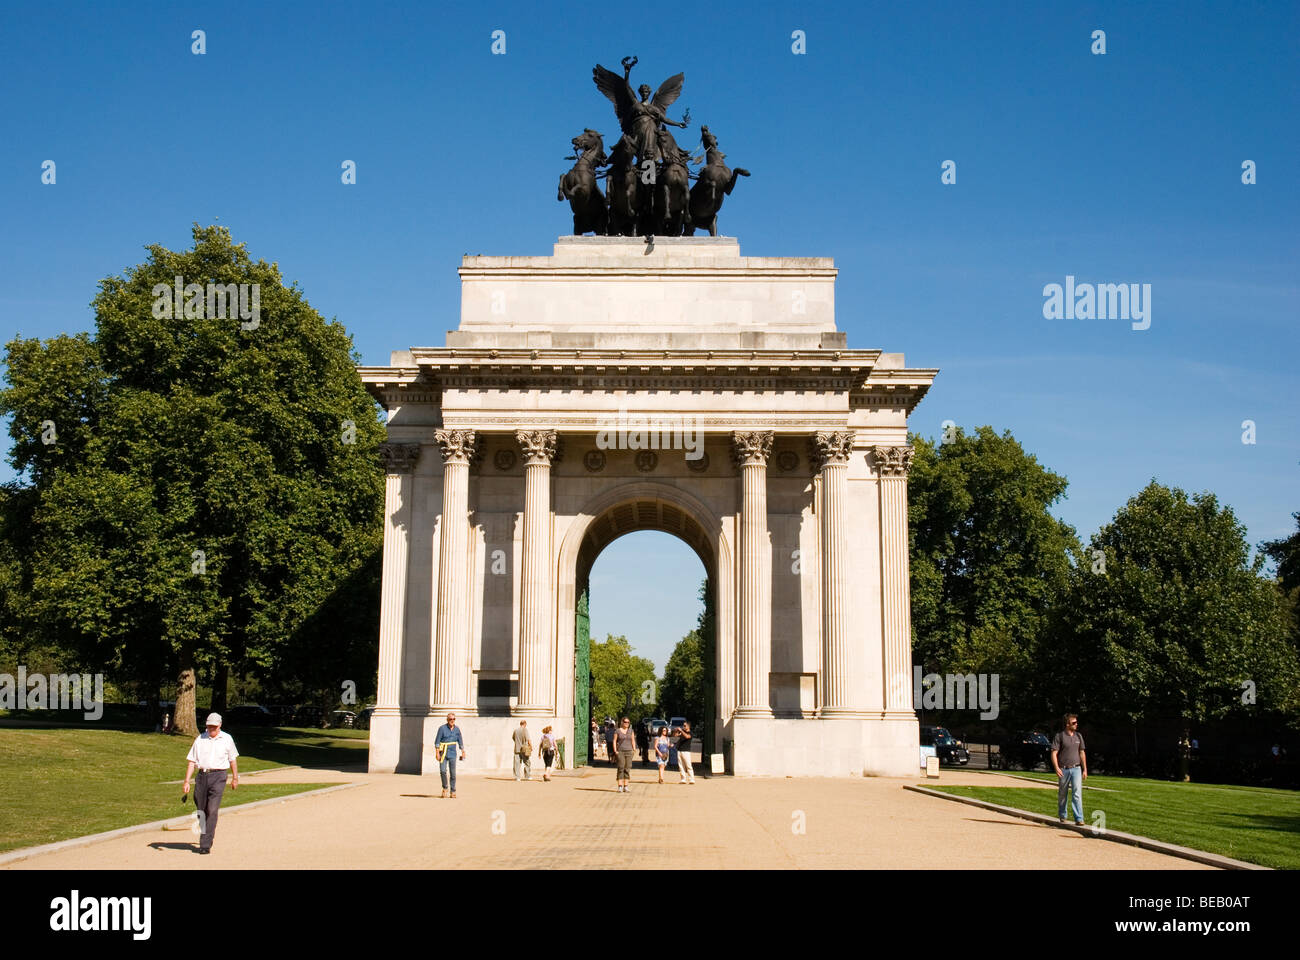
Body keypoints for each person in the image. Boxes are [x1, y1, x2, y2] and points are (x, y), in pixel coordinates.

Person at [182, 712, 239, 855]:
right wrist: (186, 781)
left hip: (219, 776)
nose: (211, 729)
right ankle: (205, 832)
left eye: (214, 726)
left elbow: (232, 760)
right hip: (202, 776)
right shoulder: (200, 739)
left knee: (212, 809)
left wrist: (235, 778)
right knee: (201, 809)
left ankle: (205, 844)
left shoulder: (227, 739)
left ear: (219, 725)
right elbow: (192, 761)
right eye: (209, 726)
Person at [1051, 713, 1087, 825]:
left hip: (1076, 768)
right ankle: (1063, 815)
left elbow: (1082, 752)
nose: (1076, 724)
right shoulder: (1059, 736)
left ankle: (1079, 818)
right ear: (1067, 724)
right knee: (1063, 793)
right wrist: (1057, 768)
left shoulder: (1078, 736)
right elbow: (1054, 753)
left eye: (1076, 722)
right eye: (1074, 723)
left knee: (1077, 793)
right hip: (1064, 769)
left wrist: (1084, 769)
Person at [434, 711, 465, 798]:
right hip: (443, 752)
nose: (452, 720)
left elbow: (460, 740)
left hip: (452, 753)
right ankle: (445, 788)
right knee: (443, 771)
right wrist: (437, 753)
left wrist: (463, 751)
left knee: (453, 773)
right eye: (450, 719)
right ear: (447, 720)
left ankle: (453, 791)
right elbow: (437, 742)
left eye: (453, 719)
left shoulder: (457, 729)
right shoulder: (442, 728)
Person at [614, 716, 636, 792]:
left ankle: (626, 786)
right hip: (621, 751)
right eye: (625, 722)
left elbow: (633, 740)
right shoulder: (618, 731)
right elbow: (614, 740)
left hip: (629, 751)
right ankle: (620, 786)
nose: (627, 723)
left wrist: (634, 749)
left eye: (628, 722)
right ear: (622, 722)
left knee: (627, 768)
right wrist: (615, 751)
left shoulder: (631, 731)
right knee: (621, 768)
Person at [674, 720, 696, 785]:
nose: (683, 727)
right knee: (681, 766)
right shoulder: (682, 732)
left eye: (684, 725)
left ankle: (691, 779)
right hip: (680, 750)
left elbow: (687, 736)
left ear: (688, 726)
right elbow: (675, 735)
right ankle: (683, 779)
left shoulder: (690, 733)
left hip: (686, 751)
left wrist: (681, 731)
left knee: (688, 765)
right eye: (683, 725)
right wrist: (676, 730)